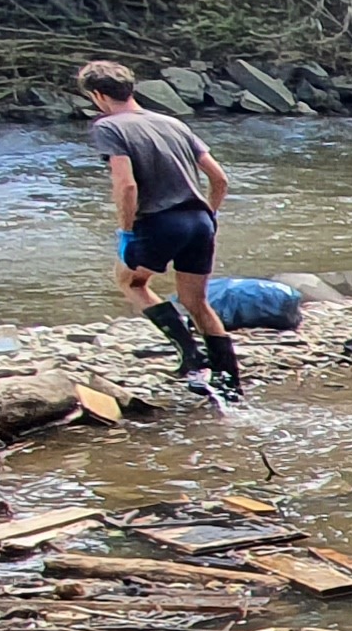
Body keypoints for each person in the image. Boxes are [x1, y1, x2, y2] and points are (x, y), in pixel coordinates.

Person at [78, 63, 240, 395]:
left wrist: (126, 231)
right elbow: (220, 178)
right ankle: (229, 382)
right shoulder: (173, 123)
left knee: (130, 281)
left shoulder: (108, 127)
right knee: (196, 301)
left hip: (158, 221)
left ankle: (190, 356)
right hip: (199, 221)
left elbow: (126, 187)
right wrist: (209, 214)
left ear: (98, 95)